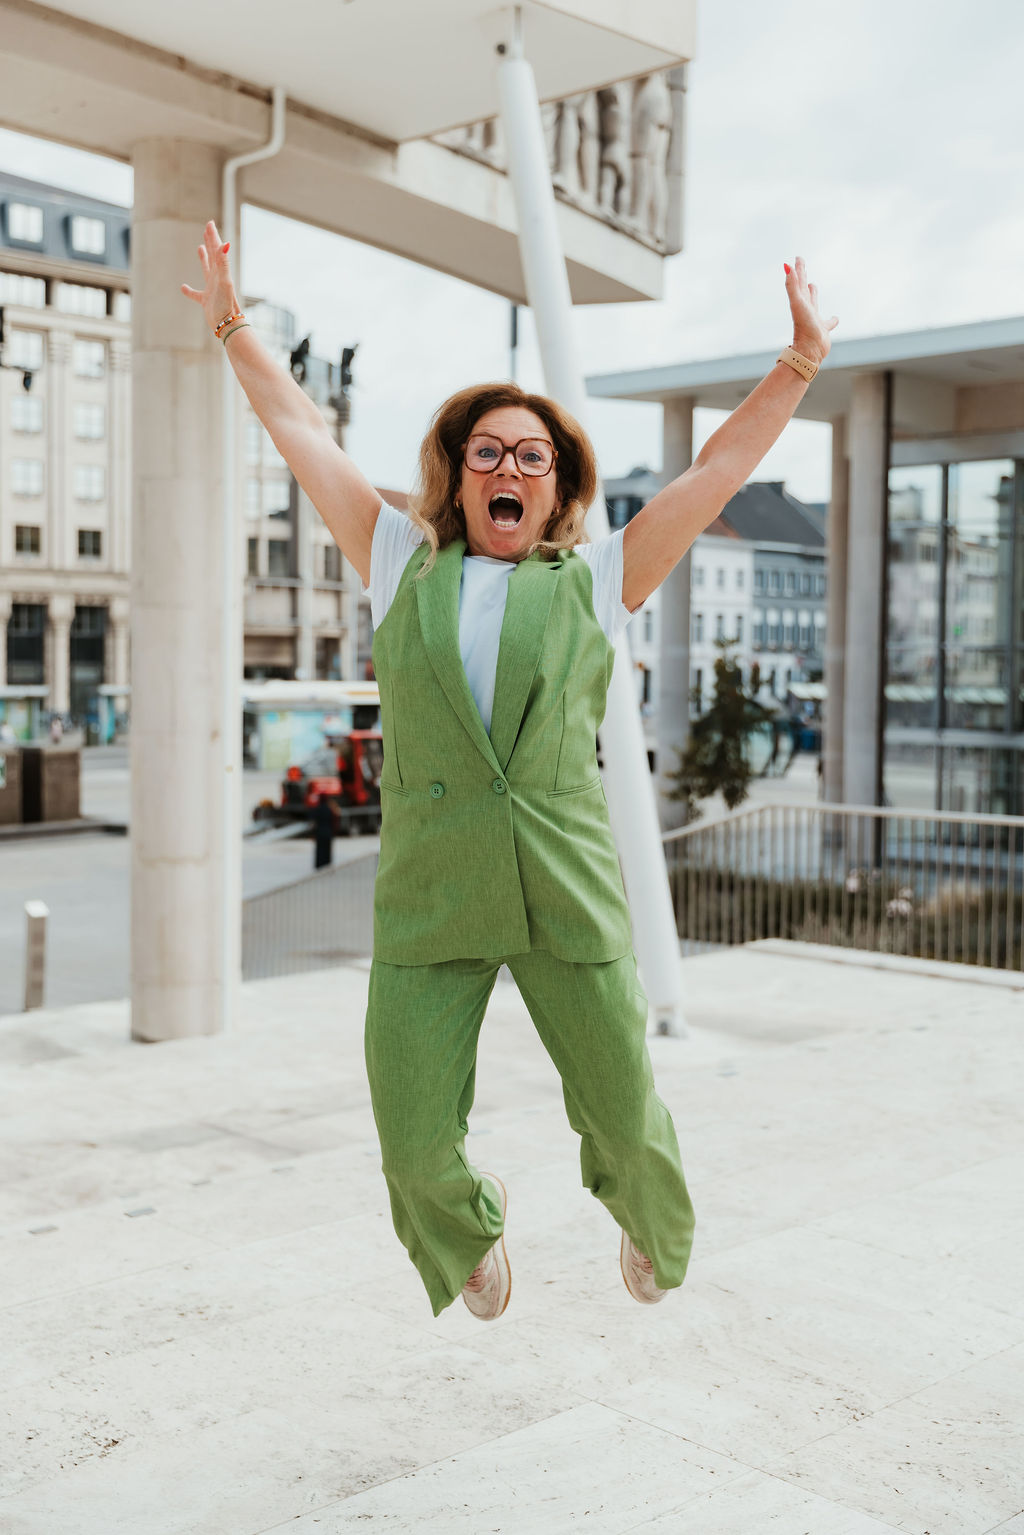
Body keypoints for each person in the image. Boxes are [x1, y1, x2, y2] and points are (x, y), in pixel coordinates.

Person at [183, 224, 838, 1320]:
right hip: (433, 886)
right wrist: (232, 327)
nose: (508, 468)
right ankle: (466, 1225)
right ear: (455, 471)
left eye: (531, 457)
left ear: (556, 483)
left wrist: (800, 361)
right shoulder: (398, 559)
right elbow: (299, 429)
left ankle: (649, 1219)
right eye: (487, 451)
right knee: (408, 1134)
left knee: (624, 1111)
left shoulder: (595, 577)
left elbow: (715, 468)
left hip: (562, 881)